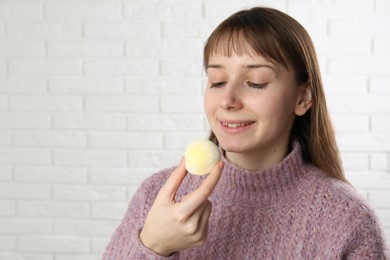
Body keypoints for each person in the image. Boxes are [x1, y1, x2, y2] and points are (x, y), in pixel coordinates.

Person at [103, 7, 389, 259]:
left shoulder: (347, 220)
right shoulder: (157, 196)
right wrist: (153, 245)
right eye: (217, 81)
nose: (227, 99)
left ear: (303, 97)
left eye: (255, 82)